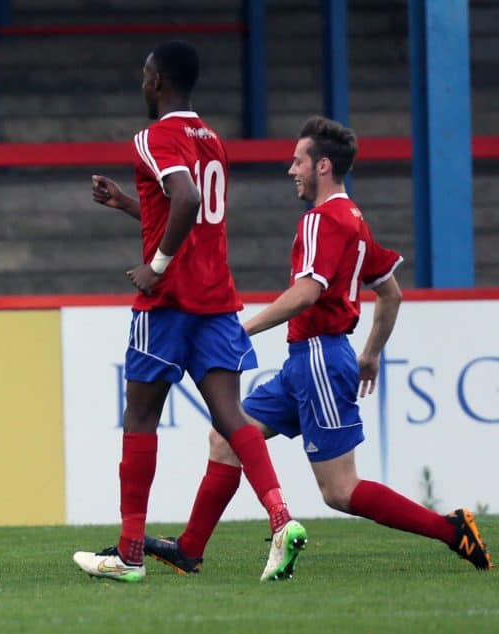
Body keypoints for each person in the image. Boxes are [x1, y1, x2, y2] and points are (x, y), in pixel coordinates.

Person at [141, 116, 493, 576]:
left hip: (320, 360)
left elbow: (307, 292)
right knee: (225, 437)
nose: (292, 170)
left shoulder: (321, 221)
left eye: (298, 161)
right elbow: (391, 292)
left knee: (340, 490)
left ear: (322, 166)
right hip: (308, 361)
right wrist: (369, 354)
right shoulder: (355, 220)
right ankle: (189, 549)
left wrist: (241, 329)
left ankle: (453, 531)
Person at [71, 40, 306, 584]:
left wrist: (155, 265)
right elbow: (185, 209)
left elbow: (186, 201)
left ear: (157, 82)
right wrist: (128, 204)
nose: (142, 82)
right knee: (232, 416)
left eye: (145, 74)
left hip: (169, 303)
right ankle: (281, 516)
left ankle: (129, 554)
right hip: (216, 300)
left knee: (140, 418)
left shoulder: (153, 137)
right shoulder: (211, 139)